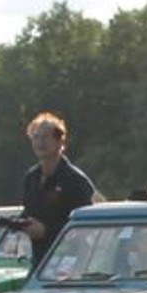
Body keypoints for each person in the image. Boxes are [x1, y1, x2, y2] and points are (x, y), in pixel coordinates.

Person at [16, 111, 96, 265]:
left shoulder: (75, 180)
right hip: (39, 261)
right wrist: (20, 223)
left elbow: (85, 227)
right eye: (35, 137)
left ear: (60, 141)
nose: (40, 142)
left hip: (71, 262)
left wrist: (46, 231)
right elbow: (28, 211)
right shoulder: (31, 178)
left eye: (45, 137)